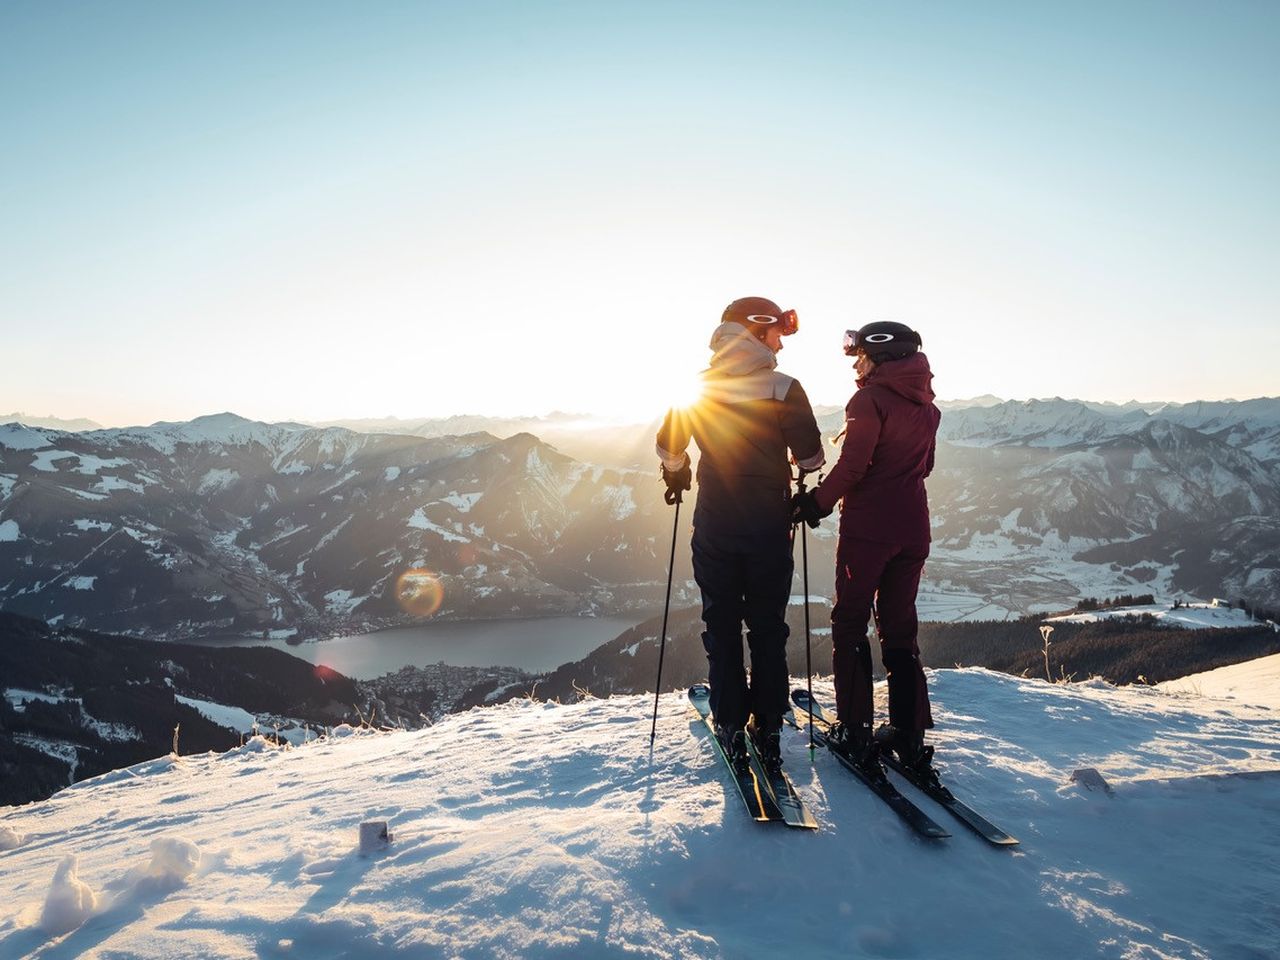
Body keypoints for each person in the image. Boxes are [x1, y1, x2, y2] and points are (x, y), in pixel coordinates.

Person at [657, 297, 825, 775]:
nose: (780, 344)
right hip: (770, 527)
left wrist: (678, 472)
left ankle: (730, 722)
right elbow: (811, 457)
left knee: (722, 625)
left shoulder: (698, 387)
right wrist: (796, 468)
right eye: (777, 334)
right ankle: (768, 724)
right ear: (756, 331)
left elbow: (670, 447)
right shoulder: (783, 387)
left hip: (714, 525)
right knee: (768, 626)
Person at [791, 321, 942, 785]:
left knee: (850, 622)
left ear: (881, 355)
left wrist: (814, 503)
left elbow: (853, 466)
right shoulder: (928, 406)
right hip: (913, 530)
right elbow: (926, 466)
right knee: (900, 629)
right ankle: (909, 733)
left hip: (869, 531)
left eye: (860, 355)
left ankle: (855, 731)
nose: (856, 363)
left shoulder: (868, 401)